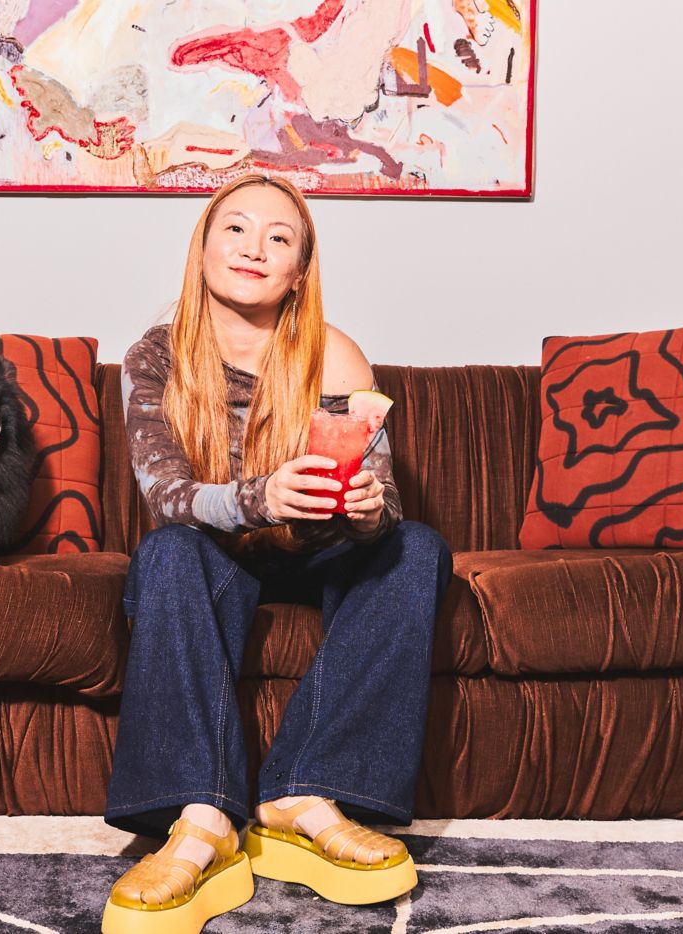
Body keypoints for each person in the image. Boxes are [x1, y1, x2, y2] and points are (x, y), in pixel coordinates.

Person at [100, 174, 453, 934]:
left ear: (299, 269)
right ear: (202, 248)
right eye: (235, 228)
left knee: (416, 548)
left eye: (279, 237)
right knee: (166, 553)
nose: (254, 248)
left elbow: (385, 502)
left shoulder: (335, 355)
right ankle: (204, 818)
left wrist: (368, 510)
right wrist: (261, 496)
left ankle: (301, 793)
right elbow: (167, 496)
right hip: (213, 554)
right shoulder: (154, 357)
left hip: (317, 550)